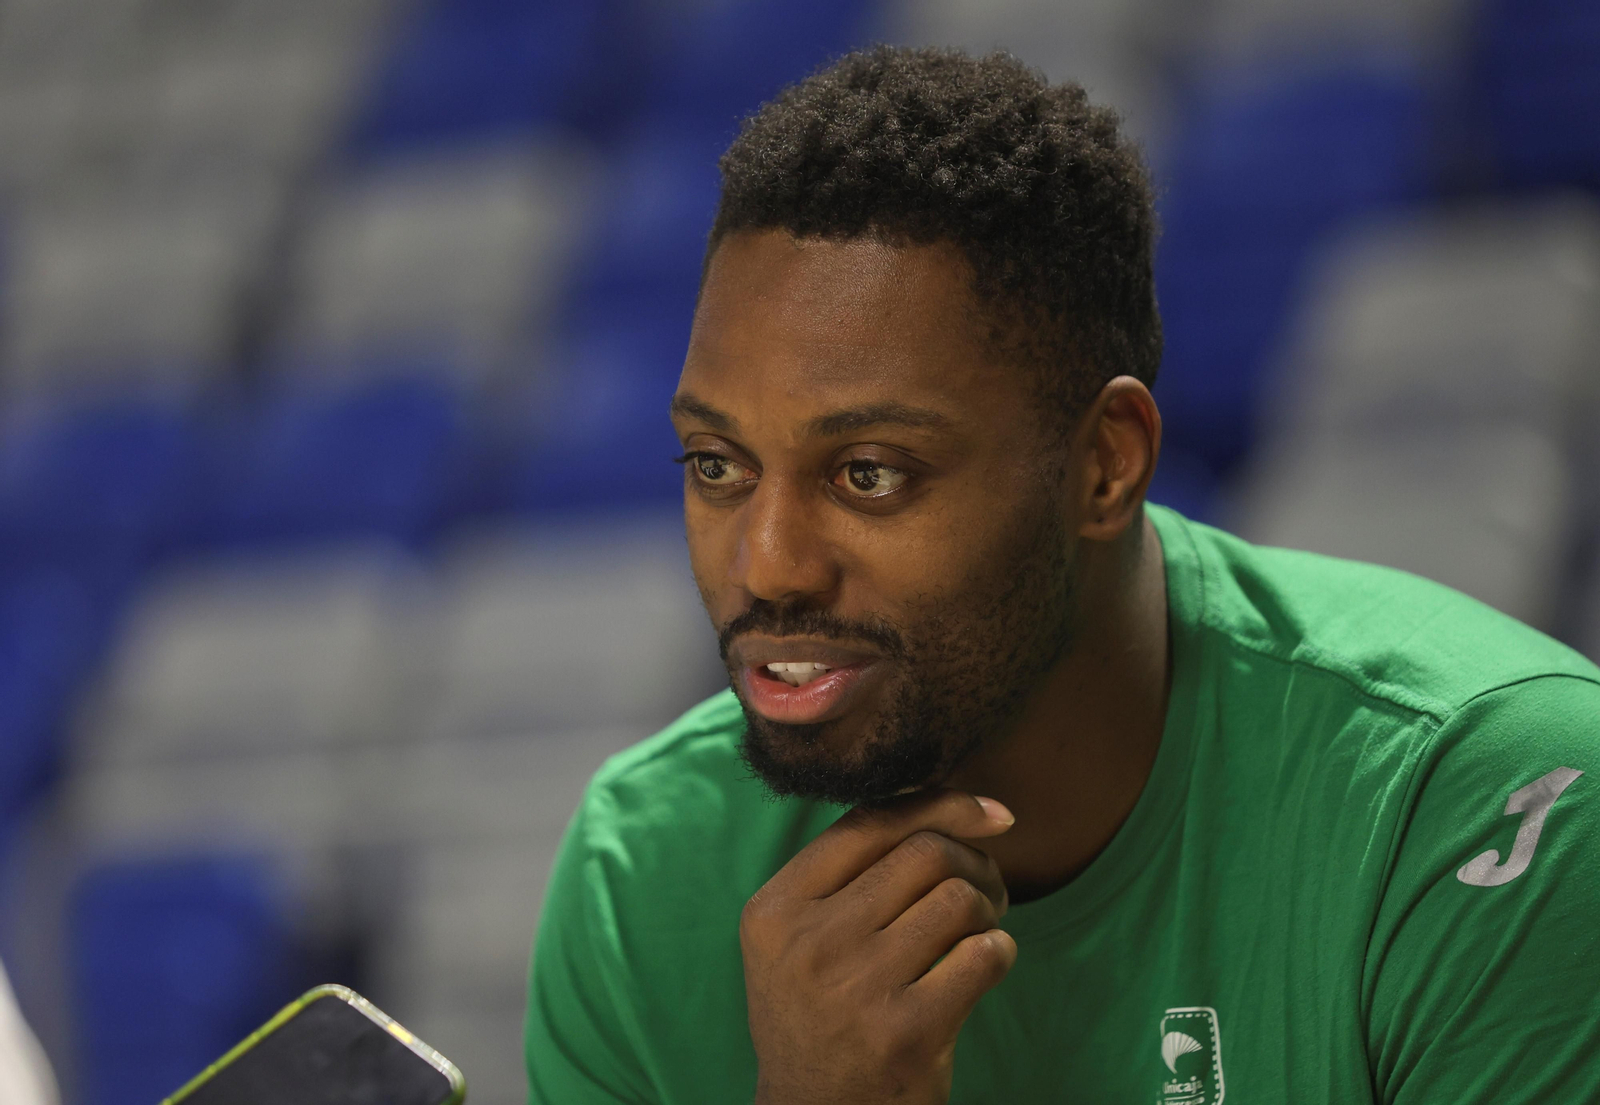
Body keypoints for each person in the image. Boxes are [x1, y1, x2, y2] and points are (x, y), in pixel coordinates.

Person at [524, 46, 1600, 1104]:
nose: (767, 564)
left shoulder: (1486, 801)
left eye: (868, 473)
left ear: (1104, 463)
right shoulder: (642, 872)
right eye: (717, 466)